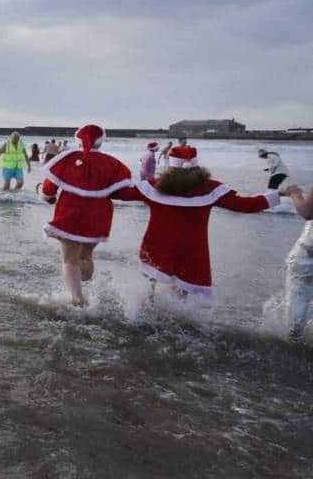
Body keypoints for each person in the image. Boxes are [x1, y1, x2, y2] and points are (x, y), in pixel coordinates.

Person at [118, 145, 281, 296]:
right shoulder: (210, 188)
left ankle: (146, 307)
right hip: (192, 247)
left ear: (171, 165)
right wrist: (278, 195)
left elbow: (122, 194)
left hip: (157, 243)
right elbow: (246, 205)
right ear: (196, 165)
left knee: (150, 279)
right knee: (183, 287)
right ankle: (178, 313)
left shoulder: (155, 186)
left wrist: (111, 175)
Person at [39, 125, 134, 307]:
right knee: (86, 256)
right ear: (101, 141)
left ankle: (77, 298)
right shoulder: (112, 164)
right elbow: (122, 192)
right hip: (98, 217)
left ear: (78, 140)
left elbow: (48, 190)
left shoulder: (67, 159)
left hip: (70, 214)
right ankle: (87, 288)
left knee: (69, 261)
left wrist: (46, 196)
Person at [280, 184, 313, 341]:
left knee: (299, 297)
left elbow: (308, 212)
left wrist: (295, 193)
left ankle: (293, 345)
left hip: (309, 251)